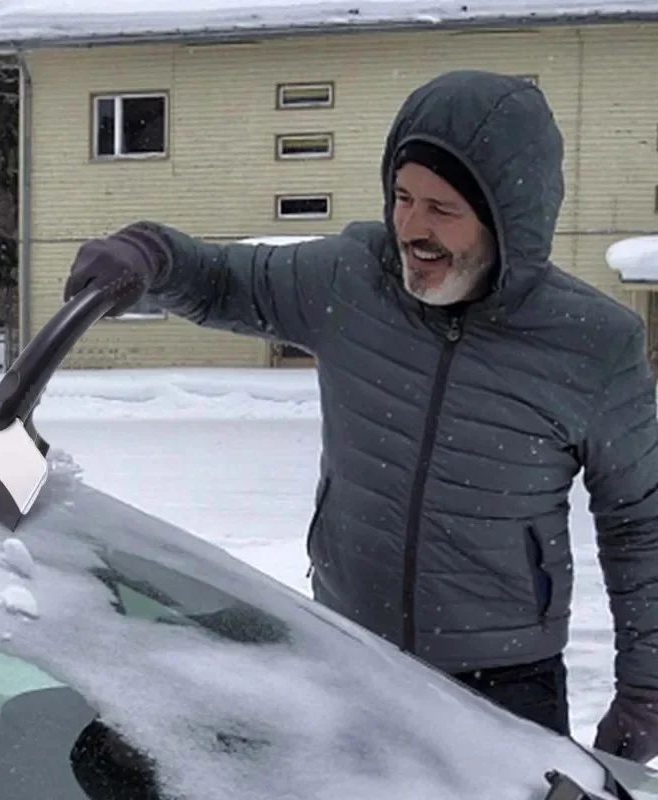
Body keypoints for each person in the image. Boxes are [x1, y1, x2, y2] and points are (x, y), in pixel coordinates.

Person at [63, 69, 658, 761]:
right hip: (348, 657)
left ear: (508, 222)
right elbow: (225, 278)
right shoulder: (352, 280)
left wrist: (646, 687)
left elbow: (639, 522)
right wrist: (148, 252)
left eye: (442, 208)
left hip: (503, 688)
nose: (411, 226)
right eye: (403, 197)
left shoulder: (592, 343)